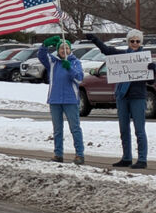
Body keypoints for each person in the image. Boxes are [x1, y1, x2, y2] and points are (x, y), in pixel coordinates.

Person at [86, 30, 156, 168]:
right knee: (124, 129)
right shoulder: (121, 56)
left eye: (137, 41)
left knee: (139, 130)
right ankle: (126, 157)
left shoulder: (144, 59)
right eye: (132, 41)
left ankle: (142, 159)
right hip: (122, 96)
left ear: (140, 43)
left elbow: (150, 80)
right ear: (128, 42)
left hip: (138, 97)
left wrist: (153, 69)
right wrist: (95, 39)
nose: (135, 43)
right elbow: (106, 50)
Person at [39, 36, 85, 164]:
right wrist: (45, 45)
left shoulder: (75, 62)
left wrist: (69, 67)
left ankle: (79, 154)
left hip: (70, 100)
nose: (64, 50)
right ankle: (58, 154)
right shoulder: (53, 62)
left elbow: (79, 78)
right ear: (58, 50)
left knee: (75, 128)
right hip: (55, 100)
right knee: (57, 129)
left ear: (70, 50)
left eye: (67, 48)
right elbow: (42, 56)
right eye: (61, 48)